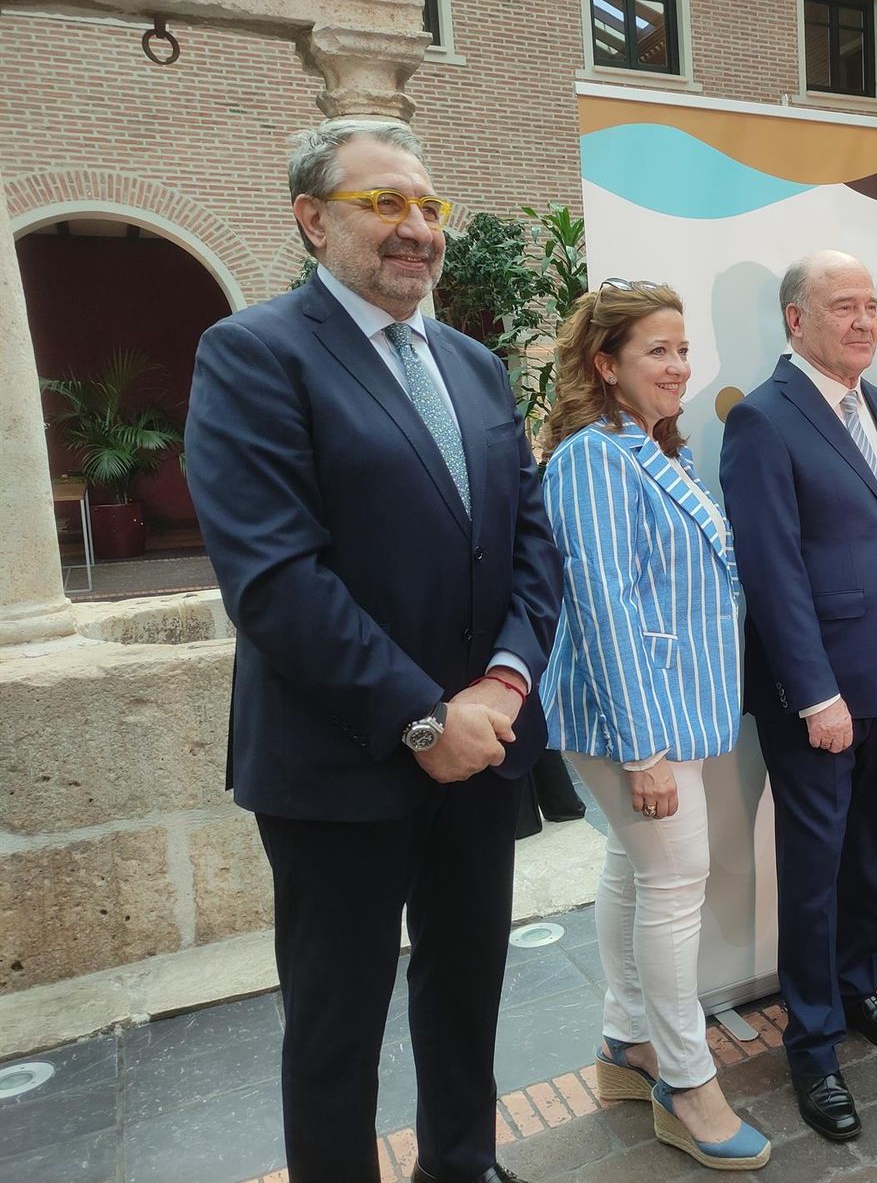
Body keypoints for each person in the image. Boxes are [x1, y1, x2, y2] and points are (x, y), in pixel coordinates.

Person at [184, 119, 561, 1183]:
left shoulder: (474, 365)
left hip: (483, 749)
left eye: (429, 206)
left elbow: (531, 541)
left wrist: (503, 683)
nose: (416, 228)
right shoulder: (254, 353)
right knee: (336, 1024)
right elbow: (275, 579)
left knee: (467, 988)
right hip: (341, 760)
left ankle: (461, 1164)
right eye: (384, 202)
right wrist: (423, 717)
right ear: (312, 219)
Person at [538, 279, 769, 1170]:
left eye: (682, 350)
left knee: (636, 873)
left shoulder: (656, 449)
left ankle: (627, 1041)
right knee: (675, 887)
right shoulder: (593, 458)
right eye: (656, 352)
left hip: (675, 707)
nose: (677, 367)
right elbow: (603, 606)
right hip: (632, 718)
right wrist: (644, 750)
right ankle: (685, 1080)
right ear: (606, 365)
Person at [720, 250, 877, 1143]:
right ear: (795, 319)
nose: (864, 320)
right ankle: (811, 1046)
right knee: (813, 877)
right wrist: (814, 695)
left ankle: (855, 990)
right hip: (821, 697)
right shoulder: (764, 419)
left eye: (871, 305)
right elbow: (772, 571)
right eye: (843, 305)